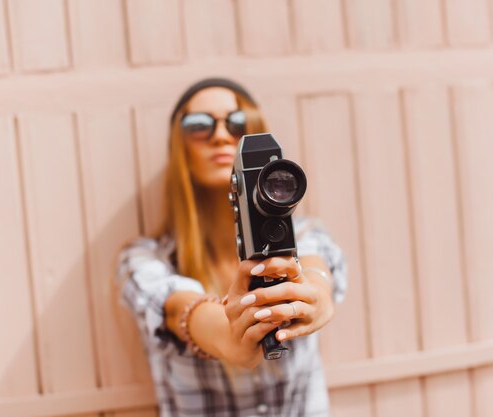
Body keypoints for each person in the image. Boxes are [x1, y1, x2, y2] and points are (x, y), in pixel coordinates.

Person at [116, 78, 347, 417]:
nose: (222, 136)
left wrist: (316, 292)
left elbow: (315, 262)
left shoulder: (305, 234)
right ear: (179, 148)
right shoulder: (145, 260)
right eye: (199, 125)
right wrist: (225, 335)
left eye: (237, 123)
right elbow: (178, 308)